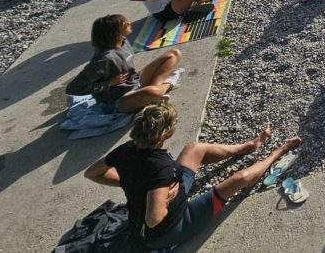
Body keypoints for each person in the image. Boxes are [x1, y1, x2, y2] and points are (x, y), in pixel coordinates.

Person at [83, 102, 301, 251]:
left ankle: (249, 146)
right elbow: (153, 219)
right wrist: (162, 198)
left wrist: (130, 183)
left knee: (194, 149)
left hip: (172, 186)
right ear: (166, 133)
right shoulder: (161, 170)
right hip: (169, 229)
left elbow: (92, 173)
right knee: (239, 179)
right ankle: (278, 152)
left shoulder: (127, 150)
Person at [66, 14, 183, 113]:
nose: (129, 23)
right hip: (118, 100)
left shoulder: (123, 41)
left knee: (173, 54)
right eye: (125, 24)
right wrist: (109, 83)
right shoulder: (103, 59)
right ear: (115, 32)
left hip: (134, 81)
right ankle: (165, 85)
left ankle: (153, 95)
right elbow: (72, 89)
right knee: (151, 92)